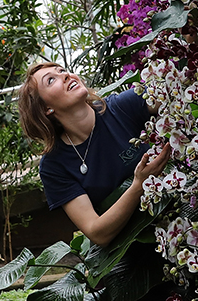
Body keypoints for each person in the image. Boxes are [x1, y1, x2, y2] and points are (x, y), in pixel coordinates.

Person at [17, 62, 170, 246]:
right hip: (126, 253)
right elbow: (97, 232)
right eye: (51, 80)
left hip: (178, 219)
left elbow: (177, 90)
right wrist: (138, 185)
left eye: (62, 71)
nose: (66, 76)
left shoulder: (120, 108)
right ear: (45, 109)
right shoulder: (54, 166)